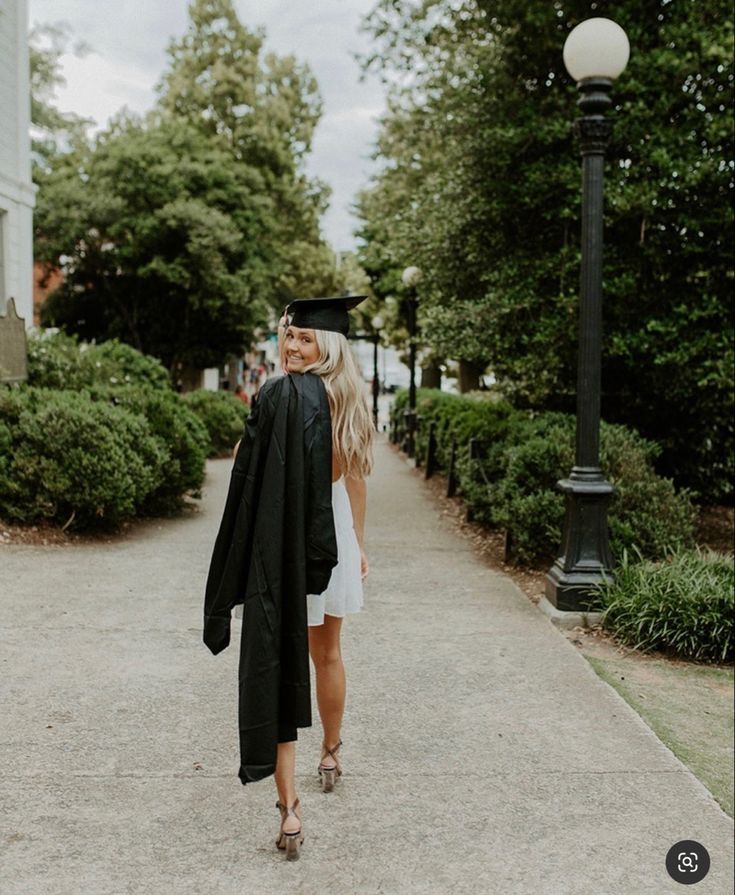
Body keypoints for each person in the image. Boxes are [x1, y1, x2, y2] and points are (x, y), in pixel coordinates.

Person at [203, 295, 374, 862]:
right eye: (289, 336)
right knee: (327, 653)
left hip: (286, 539)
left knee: (280, 660)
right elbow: (353, 481)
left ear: (326, 346)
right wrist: (358, 547)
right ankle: (330, 751)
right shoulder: (349, 399)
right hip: (334, 536)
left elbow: (251, 469)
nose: (294, 347)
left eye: (305, 339)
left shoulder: (280, 397)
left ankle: (290, 808)